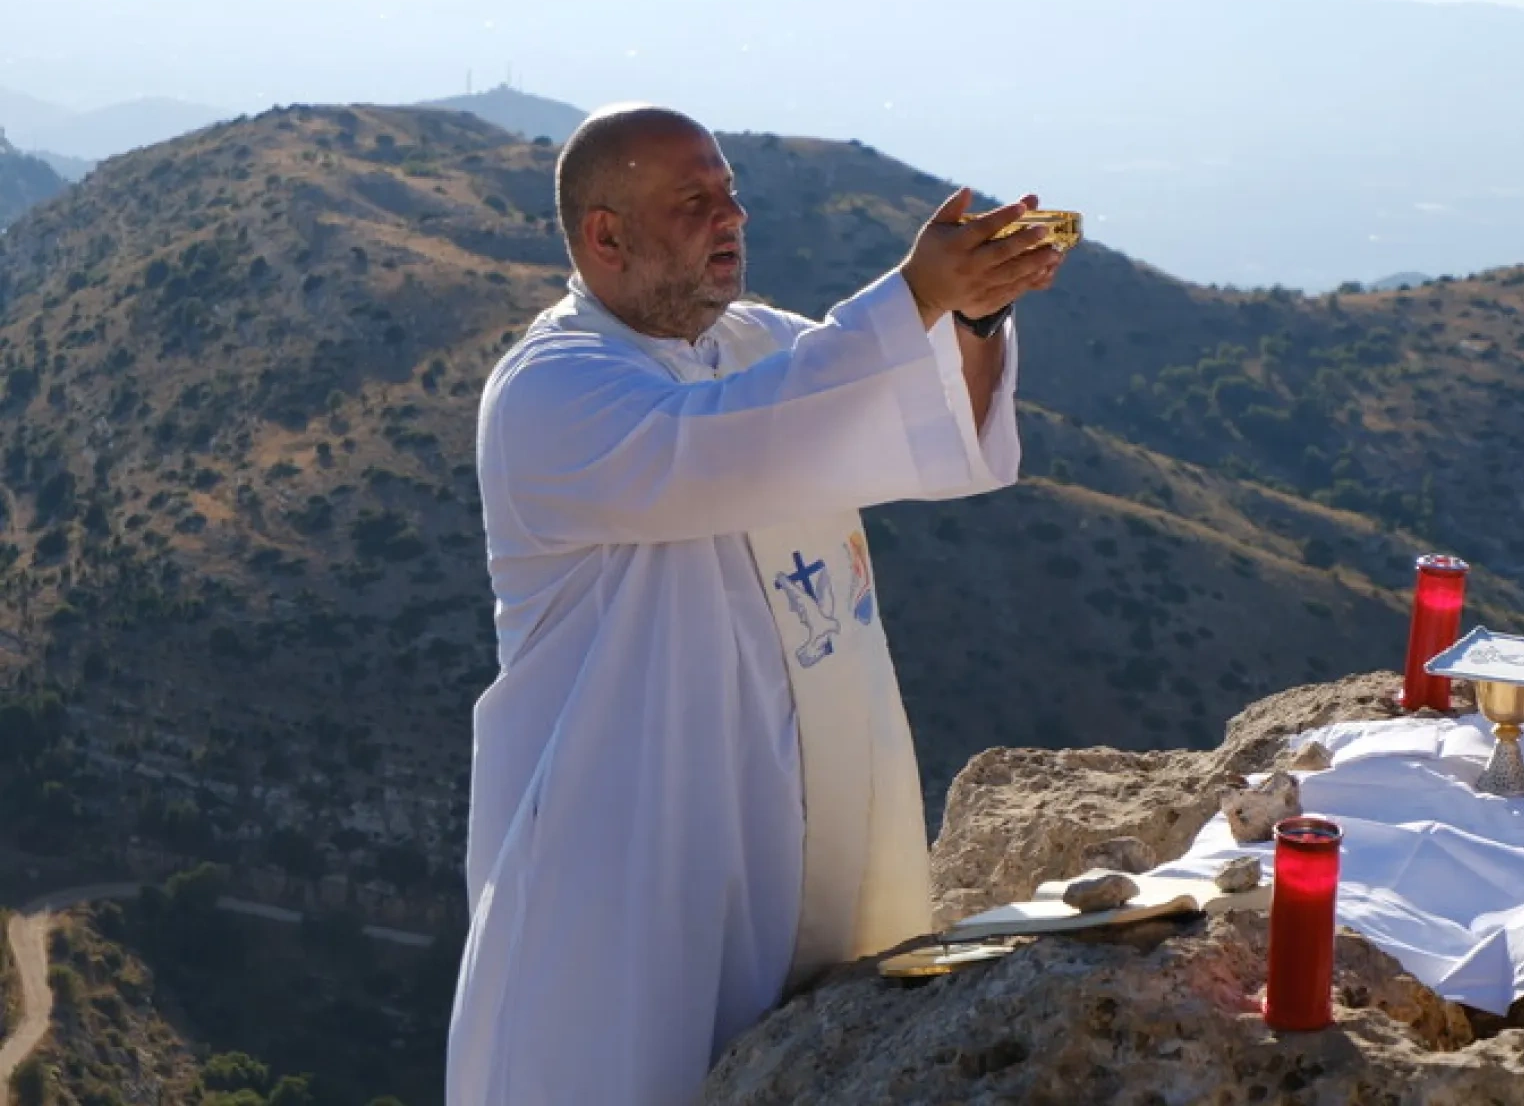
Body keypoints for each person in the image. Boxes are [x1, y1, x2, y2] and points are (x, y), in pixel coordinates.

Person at [445, 104, 1065, 1104]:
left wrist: (973, 315)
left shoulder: (752, 342)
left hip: (798, 831)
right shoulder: (549, 389)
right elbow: (733, 443)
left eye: (730, 193)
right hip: (630, 864)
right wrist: (910, 295)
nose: (730, 215)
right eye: (694, 201)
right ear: (605, 234)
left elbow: (909, 420)